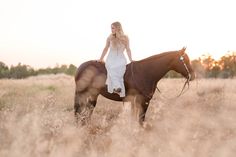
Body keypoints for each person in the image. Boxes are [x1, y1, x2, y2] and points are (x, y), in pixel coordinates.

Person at [98, 21, 133, 97]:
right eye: (111, 28)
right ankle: (117, 87)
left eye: (113, 28)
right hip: (110, 59)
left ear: (118, 28)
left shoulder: (125, 38)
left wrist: (131, 59)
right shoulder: (109, 37)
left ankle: (117, 88)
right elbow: (106, 48)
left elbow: (128, 49)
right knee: (112, 68)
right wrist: (101, 58)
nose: (111, 30)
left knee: (119, 70)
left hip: (121, 59)